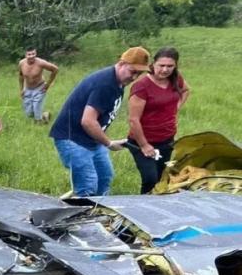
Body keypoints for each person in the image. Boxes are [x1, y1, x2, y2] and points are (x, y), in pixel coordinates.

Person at [49, 47, 151, 197]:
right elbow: (88, 121)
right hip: (72, 138)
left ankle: (100, 209)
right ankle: (83, 210)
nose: (134, 77)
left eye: (139, 73)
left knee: (105, 176)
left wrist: (105, 141)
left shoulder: (118, 82)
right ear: (121, 63)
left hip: (91, 139)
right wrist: (109, 143)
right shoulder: (105, 84)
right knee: (88, 184)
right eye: (132, 71)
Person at [127, 47, 191, 194]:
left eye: (170, 66)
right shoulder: (141, 86)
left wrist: (175, 108)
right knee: (150, 179)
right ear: (153, 64)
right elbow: (133, 120)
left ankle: (159, 206)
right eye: (161, 65)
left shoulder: (176, 79)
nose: (165, 70)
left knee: (162, 178)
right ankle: (144, 206)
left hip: (167, 139)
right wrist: (144, 145)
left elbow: (186, 90)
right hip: (142, 141)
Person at [18, 46, 59, 123]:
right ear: (25, 55)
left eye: (33, 54)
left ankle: (39, 122)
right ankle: (45, 115)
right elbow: (20, 76)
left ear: (36, 54)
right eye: (29, 54)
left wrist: (48, 84)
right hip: (27, 89)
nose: (31, 56)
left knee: (37, 113)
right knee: (29, 114)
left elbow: (55, 69)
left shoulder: (41, 63)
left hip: (39, 88)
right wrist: (21, 89)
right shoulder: (21, 63)